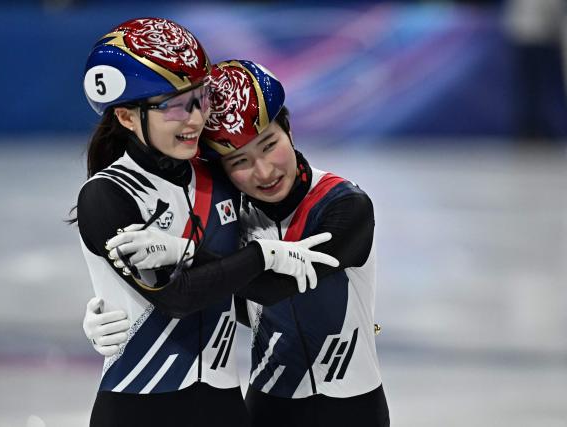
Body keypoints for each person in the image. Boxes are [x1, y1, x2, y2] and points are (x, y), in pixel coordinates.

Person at [85, 59, 390, 426]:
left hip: (349, 409)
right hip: (266, 407)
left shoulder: (344, 204)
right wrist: (122, 301)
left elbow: (278, 286)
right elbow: (224, 293)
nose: (264, 172)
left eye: (269, 144)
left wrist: (184, 253)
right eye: (239, 161)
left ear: (289, 130)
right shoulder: (232, 211)